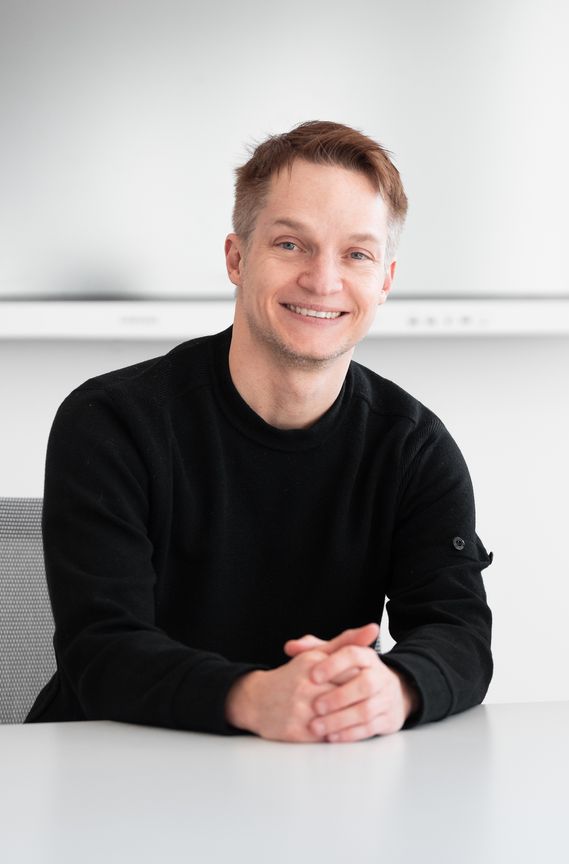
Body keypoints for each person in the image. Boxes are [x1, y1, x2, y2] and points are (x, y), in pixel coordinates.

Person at [27, 121, 492, 742]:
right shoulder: (112, 422)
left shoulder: (414, 448)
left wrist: (394, 687)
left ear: (384, 280)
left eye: (357, 254)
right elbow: (102, 650)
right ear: (237, 258)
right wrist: (253, 697)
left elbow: (459, 633)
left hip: (316, 768)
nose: (323, 280)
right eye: (291, 244)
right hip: (111, 764)